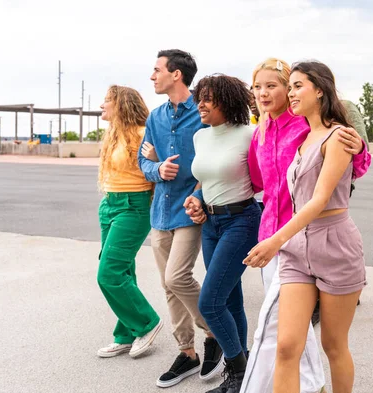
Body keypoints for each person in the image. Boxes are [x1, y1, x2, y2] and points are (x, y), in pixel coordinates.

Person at [241, 58, 371, 393]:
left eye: (298, 86)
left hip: (334, 245)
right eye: (292, 85)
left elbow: (318, 199)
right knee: (286, 346)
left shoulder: (339, 136)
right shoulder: (300, 137)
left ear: (320, 90)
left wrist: (274, 241)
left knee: (333, 345)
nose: (291, 92)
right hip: (298, 249)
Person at [138, 49, 223, 388]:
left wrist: (199, 195)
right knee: (167, 286)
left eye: (157, 69)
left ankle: (217, 332)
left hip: (190, 210)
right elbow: (142, 164)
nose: (152, 76)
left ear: (176, 74)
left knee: (177, 277)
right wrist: (158, 167)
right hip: (160, 212)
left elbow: (214, 160)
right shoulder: (155, 117)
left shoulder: (202, 114)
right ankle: (187, 352)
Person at [178, 74, 261, 393]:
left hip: (242, 220)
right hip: (210, 224)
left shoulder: (249, 134)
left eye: (209, 97)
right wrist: (195, 197)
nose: (200, 103)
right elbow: (204, 180)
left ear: (228, 101)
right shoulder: (201, 137)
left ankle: (239, 374)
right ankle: (245, 372)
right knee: (229, 299)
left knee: (210, 303)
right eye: (200, 96)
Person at [96, 85, 163, 359]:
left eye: (106, 100)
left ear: (121, 104)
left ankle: (147, 322)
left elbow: (156, 168)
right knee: (123, 272)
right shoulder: (113, 134)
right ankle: (125, 334)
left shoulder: (141, 133)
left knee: (109, 273)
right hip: (110, 204)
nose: (102, 105)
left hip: (133, 207)